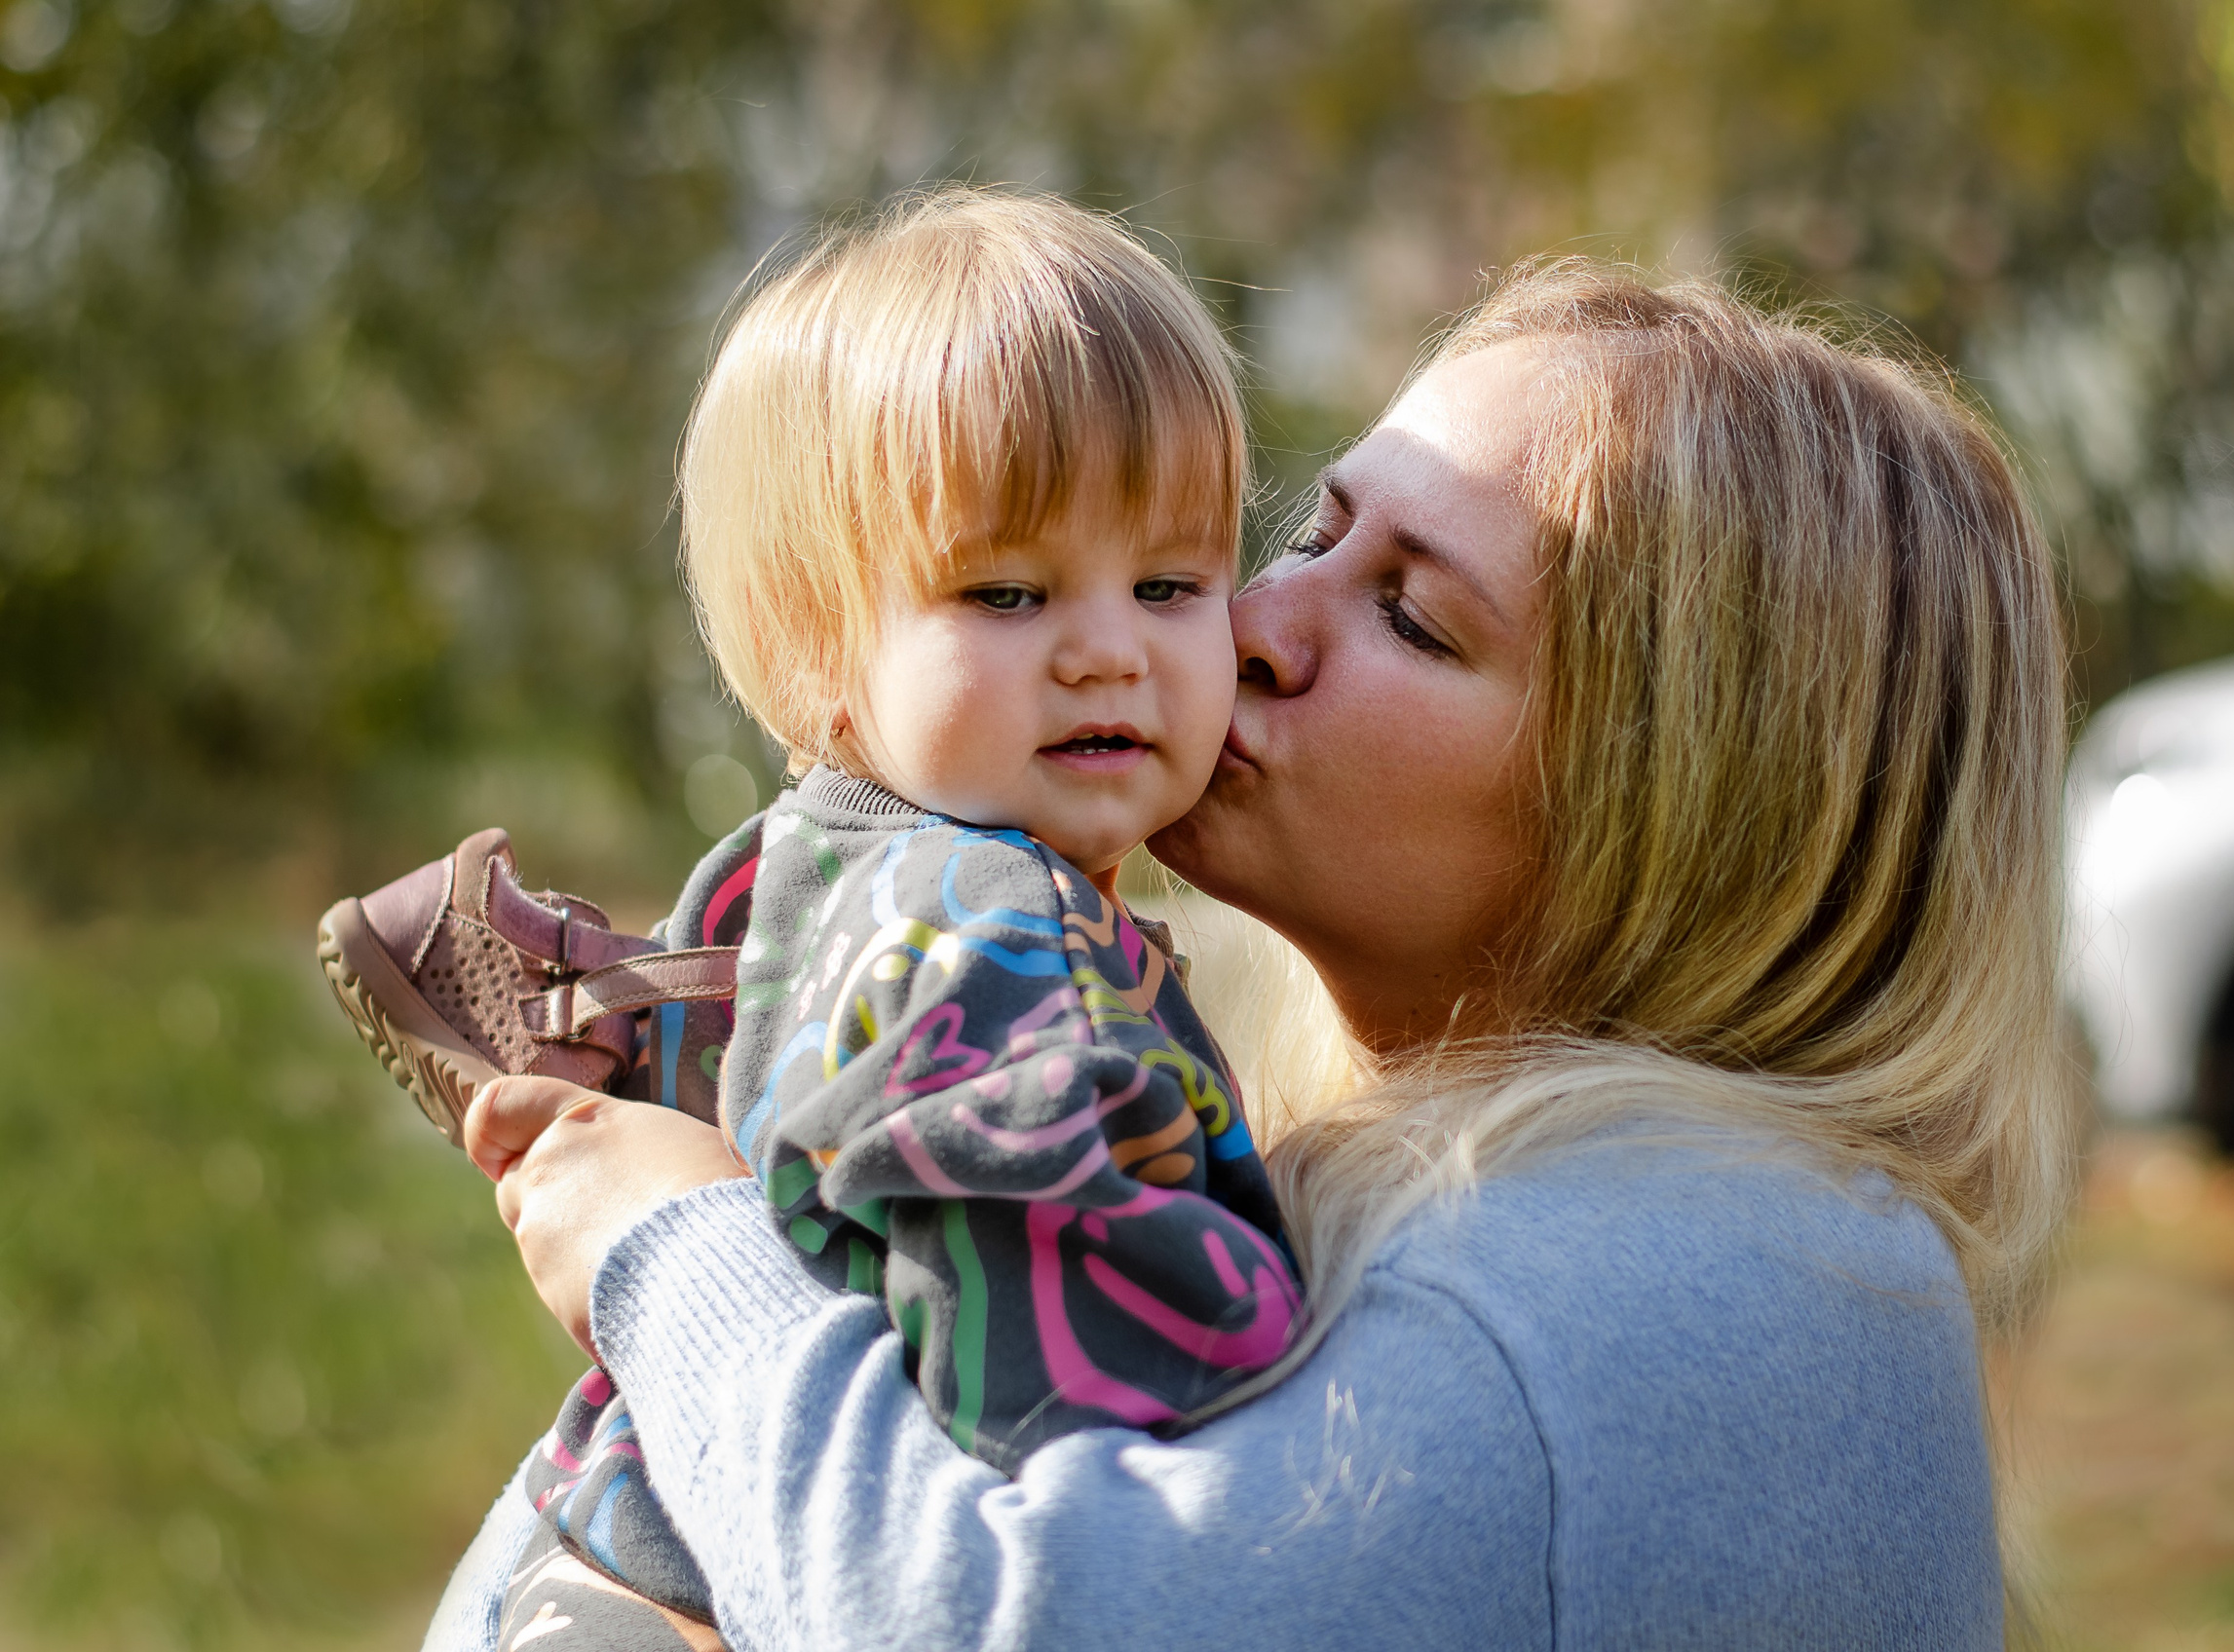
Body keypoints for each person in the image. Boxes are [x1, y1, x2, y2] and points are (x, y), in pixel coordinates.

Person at [430, 255, 2079, 1650]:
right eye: (1308, 535)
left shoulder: (1703, 1283)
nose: (1246, 631)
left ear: (1696, 813)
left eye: (1415, 617)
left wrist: (675, 1247)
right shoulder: (1638, 1211)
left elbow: (1001, 1615)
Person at [342, 189, 1304, 1641]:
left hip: (608, 1545)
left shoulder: (817, 862)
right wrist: (1296, 1340)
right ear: (819, 659)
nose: (1109, 648)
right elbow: (1068, 1380)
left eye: (1170, 583)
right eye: (1006, 591)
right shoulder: (982, 921)